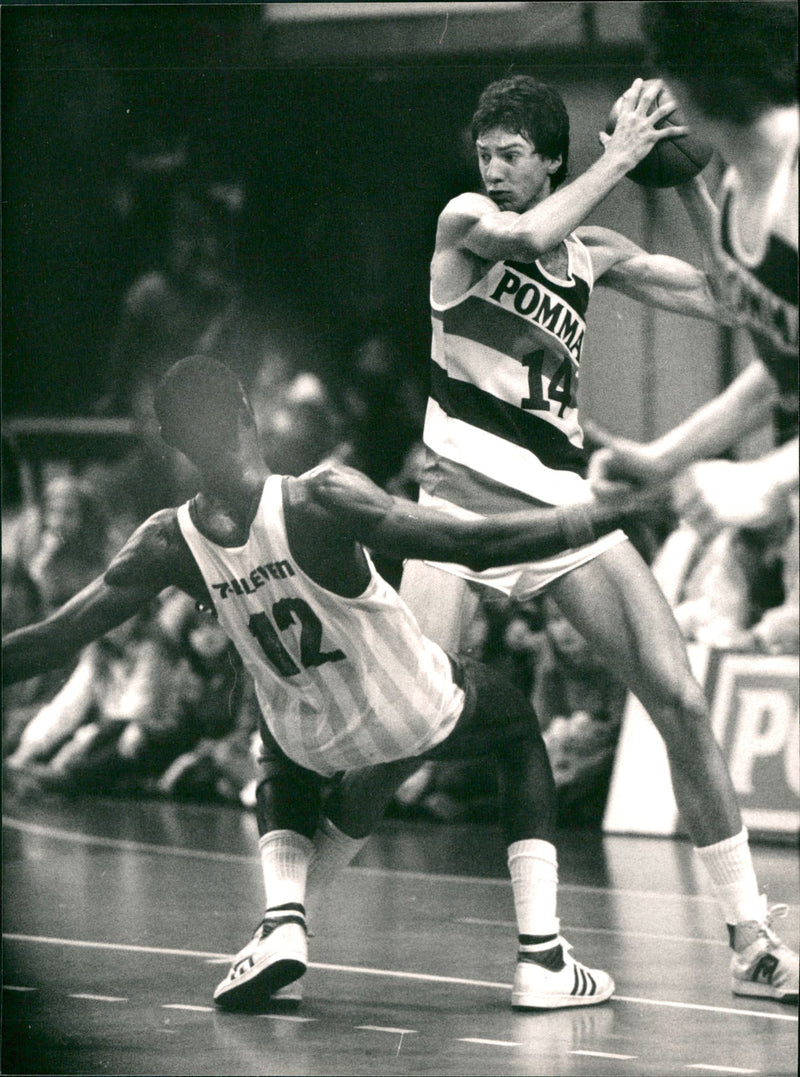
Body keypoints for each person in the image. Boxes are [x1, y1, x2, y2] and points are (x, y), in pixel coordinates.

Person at [2, 355, 665, 1013]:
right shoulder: (320, 496)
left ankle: (283, 916)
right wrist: (592, 516)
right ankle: (543, 956)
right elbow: (477, 545)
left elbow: (53, 637)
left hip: (303, 735)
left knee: (274, 726)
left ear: (175, 444)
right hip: (405, 703)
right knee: (517, 727)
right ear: (245, 409)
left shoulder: (165, 543)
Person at [396, 72, 797, 1003]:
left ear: (548, 159)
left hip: (557, 504)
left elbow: (732, 301)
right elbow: (528, 236)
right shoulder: (466, 221)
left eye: (510, 156)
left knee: (682, 699)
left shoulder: (595, 252)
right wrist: (623, 153)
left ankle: (752, 940)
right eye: (485, 154)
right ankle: (285, 907)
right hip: (455, 508)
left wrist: (681, 177)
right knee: (404, 733)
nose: (492, 170)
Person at [589, 1, 797, 553]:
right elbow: (783, 371)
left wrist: (768, 475)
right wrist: (665, 457)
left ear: (679, 78)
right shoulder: (734, 196)